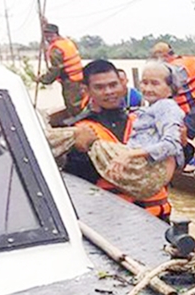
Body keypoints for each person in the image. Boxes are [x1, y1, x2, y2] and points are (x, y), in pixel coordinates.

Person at [63, 59, 173, 221]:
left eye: (113, 85)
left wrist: (183, 143)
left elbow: (177, 162)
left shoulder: (145, 119)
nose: (108, 91)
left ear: (122, 84)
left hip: (157, 216)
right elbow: (78, 182)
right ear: (86, 90)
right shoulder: (78, 129)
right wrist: (81, 152)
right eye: (99, 87)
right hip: (115, 219)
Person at [150, 41, 195, 139]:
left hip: (194, 112)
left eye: (156, 58)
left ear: (164, 56)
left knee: (178, 140)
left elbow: (169, 86)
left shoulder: (176, 67)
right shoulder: (190, 61)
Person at [37, 23, 86, 117]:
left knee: (73, 104)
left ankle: (79, 121)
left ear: (56, 34)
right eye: (46, 36)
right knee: (80, 101)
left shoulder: (56, 49)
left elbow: (56, 70)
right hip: (80, 77)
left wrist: (43, 79)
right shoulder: (66, 42)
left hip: (70, 80)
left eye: (50, 36)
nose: (48, 39)